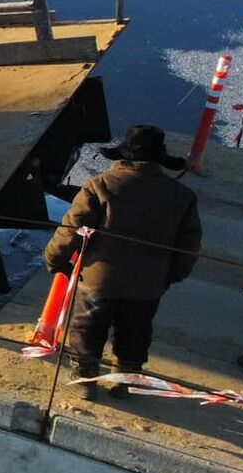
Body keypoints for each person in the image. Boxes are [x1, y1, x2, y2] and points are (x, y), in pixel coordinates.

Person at [44, 124, 203, 396]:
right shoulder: (183, 197)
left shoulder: (100, 186)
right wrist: (170, 275)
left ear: (124, 156)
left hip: (98, 280)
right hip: (148, 284)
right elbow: (188, 246)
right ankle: (125, 379)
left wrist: (54, 259)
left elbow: (72, 229)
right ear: (159, 159)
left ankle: (85, 379)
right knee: (136, 330)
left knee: (88, 329)